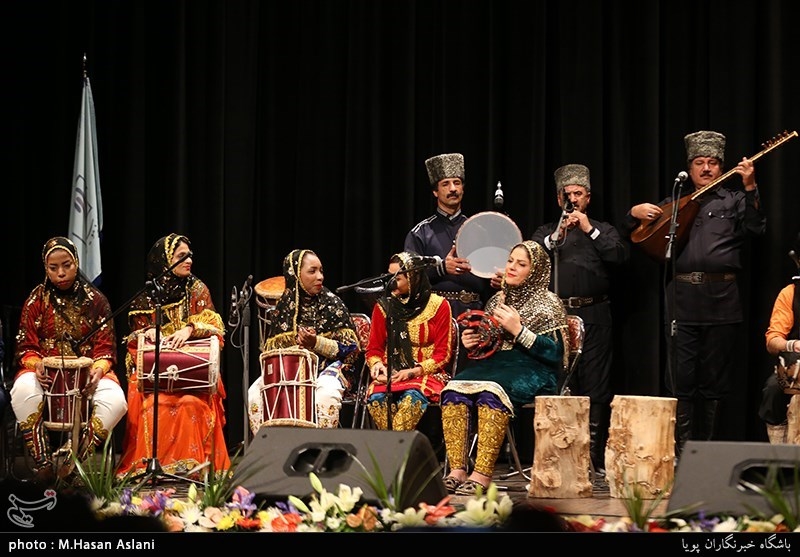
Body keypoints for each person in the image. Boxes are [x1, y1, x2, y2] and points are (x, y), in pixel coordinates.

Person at [625, 130, 766, 458]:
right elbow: (635, 232)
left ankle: (709, 455)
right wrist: (633, 212)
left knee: (714, 381)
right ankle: (684, 455)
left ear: (721, 166)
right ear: (689, 168)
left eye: (713, 162)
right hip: (682, 298)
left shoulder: (733, 199)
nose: (706, 168)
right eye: (699, 162)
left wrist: (749, 186)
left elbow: (757, 227)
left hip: (722, 297)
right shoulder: (675, 203)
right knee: (682, 379)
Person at [441, 240, 568, 495]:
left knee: (491, 393)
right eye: (510, 261)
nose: (511, 267)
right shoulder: (497, 299)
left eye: (521, 264)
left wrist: (518, 330)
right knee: (452, 390)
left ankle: (482, 475)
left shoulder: (549, 302)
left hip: (535, 369)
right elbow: (489, 343)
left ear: (536, 270)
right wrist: (473, 342)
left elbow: (556, 353)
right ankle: (457, 470)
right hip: (497, 365)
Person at [531, 163, 629, 475]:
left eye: (578, 194)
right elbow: (531, 256)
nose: (573, 199)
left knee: (596, 384)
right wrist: (558, 232)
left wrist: (588, 228)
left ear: (587, 198)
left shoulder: (603, 228)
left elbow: (619, 255)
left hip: (595, 314)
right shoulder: (547, 232)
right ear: (559, 200)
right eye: (567, 195)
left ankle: (592, 458)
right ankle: (558, 455)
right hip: (555, 317)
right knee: (560, 382)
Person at [11, 236, 127, 483]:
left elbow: (106, 349)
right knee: (21, 391)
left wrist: (97, 370)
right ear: (45, 268)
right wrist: (37, 364)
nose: (61, 273)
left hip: (89, 374)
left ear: (76, 263)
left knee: (116, 401)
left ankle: (75, 462)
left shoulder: (96, 301)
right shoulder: (35, 301)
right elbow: (25, 347)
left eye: (67, 265)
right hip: (44, 373)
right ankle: (42, 463)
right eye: (54, 268)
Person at [116, 233, 229, 477]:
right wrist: (147, 334)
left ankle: (193, 468)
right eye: (181, 256)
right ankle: (152, 468)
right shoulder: (147, 298)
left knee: (190, 405)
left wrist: (190, 329)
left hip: (192, 379)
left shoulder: (197, 289)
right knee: (153, 405)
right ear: (165, 261)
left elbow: (216, 330)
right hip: (157, 378)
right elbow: (133, 345)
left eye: (190, 256)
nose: (189, 261)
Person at [247, 249, 360, 431]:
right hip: (289, 371)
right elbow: (270, 353)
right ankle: (269, 454)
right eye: (312, 271)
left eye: (321, 270)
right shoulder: (282, 309)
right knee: (254, 394)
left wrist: (315, 343)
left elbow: (351, 351)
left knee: (326, 394)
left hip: (327, 369)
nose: (320, 277)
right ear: (295, 275)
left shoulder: (333, 304)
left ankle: (323, 452)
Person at [404, 153, 492, 343]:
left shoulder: (479, 230)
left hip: (474, 315)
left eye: (457, 183)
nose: (453, 189)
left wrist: (497, 279)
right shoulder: (420, 233)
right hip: (436, 315)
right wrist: (442, 268)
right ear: (435, 191)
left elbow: (491, 272)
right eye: (445, 184)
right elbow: (408, 278)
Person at [364, 251, 454, 431]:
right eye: (389, 276)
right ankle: (394, 455)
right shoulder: (384, 306)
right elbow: (374, 350)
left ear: (413, 278)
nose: (391, 282)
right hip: (391, 374)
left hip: (425, 375)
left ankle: (395, 454)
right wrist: (377, 366)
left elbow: (443, 355)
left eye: (396, 277)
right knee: (376, 401)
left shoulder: (439, 306)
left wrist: (413, 372)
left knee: (411, 399)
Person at [758, 233, 800, 443]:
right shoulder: (790, 293)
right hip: (797, 367)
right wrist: (793, 345)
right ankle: (780, 457)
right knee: (773, 389)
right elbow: (773, 340)